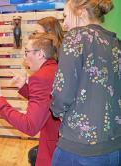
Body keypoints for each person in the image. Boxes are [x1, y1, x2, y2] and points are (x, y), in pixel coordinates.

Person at [51, 0, 121, 165]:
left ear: (81, 12)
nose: (65, 24)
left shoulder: (76, 37)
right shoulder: (115, 43)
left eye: (66, 16)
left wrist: (57, 110)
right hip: (114, 146)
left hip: (79, 147)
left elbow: (62, 94)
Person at [0, 33, 61, 166]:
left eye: (27, 52)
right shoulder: (55, 69)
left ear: (40, 54)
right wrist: (24, 87)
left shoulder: (40, 77)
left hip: (54, 147)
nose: (24, 58)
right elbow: (48, 102)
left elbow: (30, 126)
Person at [27, 16, 64, 166]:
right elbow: (46, 97)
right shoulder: (53, 63)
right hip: (51, 128)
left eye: (37, 33)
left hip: (57, 131)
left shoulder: (60, 62)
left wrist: (0, 103)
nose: (34, 36)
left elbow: (30, 125)